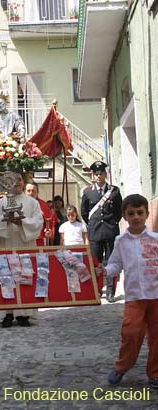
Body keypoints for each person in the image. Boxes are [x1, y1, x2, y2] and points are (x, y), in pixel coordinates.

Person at [95, 194, 158, 389]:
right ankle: (122, 367)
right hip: (134, 297)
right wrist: (105, 271)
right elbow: (115, 264)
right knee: (131, 333)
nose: (136, 217)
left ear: (147, 214)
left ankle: (155, 373)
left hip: (156, 296)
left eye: (140, 213)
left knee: (157, 337)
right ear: (124, 216)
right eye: (131, 213)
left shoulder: (156, 239)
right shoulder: (121, 241)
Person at [0, 171, 43, 328]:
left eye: (20, 179)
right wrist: (5, 220)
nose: (18, 182)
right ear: (8, 182)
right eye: (14, 180)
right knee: (6, 278)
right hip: (5, 246)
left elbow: (38, 223)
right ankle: (7, 313)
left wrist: (22, 223)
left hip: (24, 246)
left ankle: (24, 314)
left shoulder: (32, 203)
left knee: (24, 277)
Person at [81, 161, 122, 302]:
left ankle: (110, 291)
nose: (99, 176)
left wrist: (112, 223)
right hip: (95, 232)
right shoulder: (87, 192)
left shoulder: (114, 191)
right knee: (95, 262)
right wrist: (93, 225)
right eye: (96, 174)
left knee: (111, 262)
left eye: (101, 173)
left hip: (110, 231)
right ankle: (97, 290)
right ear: (93, 175)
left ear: (105, 174)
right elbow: (84, 213)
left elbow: (119, 211)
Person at [25, 181, 57, 246]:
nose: (31, 193)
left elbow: (50, 222)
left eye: (33, 191)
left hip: (39, 240)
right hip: (24, 239)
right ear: (24, 192)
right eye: (28, 191)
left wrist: (50, 231)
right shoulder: (20, 204)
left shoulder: (43, 205)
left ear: (37, 192)